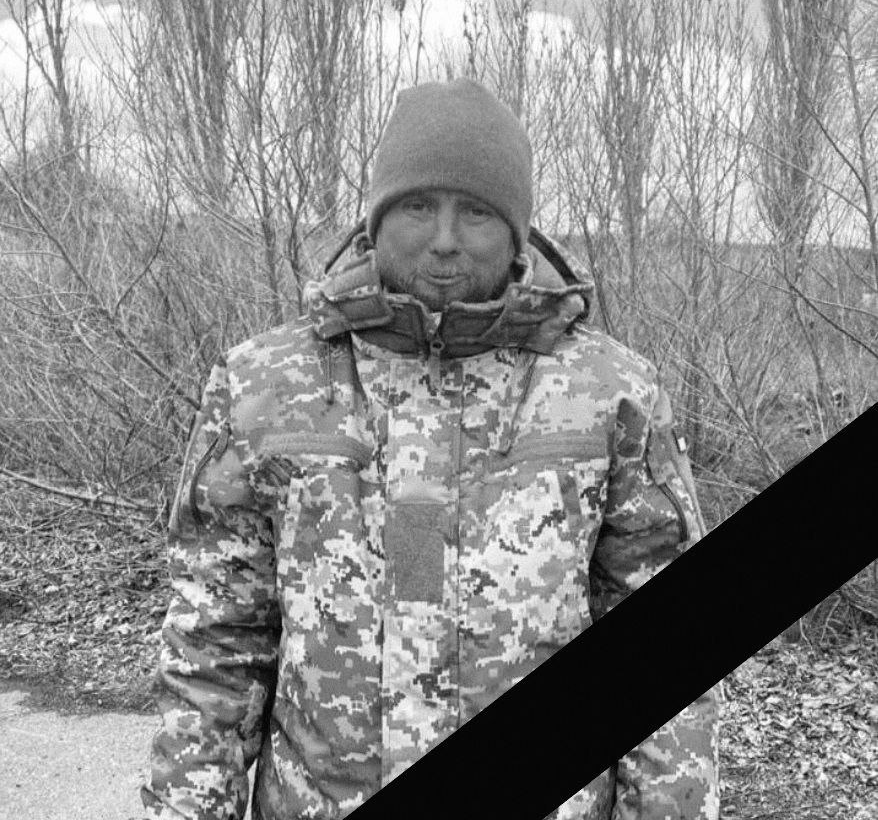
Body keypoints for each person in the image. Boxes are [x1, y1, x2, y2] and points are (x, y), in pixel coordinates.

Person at [142, 78, 719, 820]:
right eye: (418, 205)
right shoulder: (263, 386)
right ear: (376, 218)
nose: (445, 238)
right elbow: (216, 651)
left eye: (475, 211)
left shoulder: (611, 393)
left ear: (515, 232)